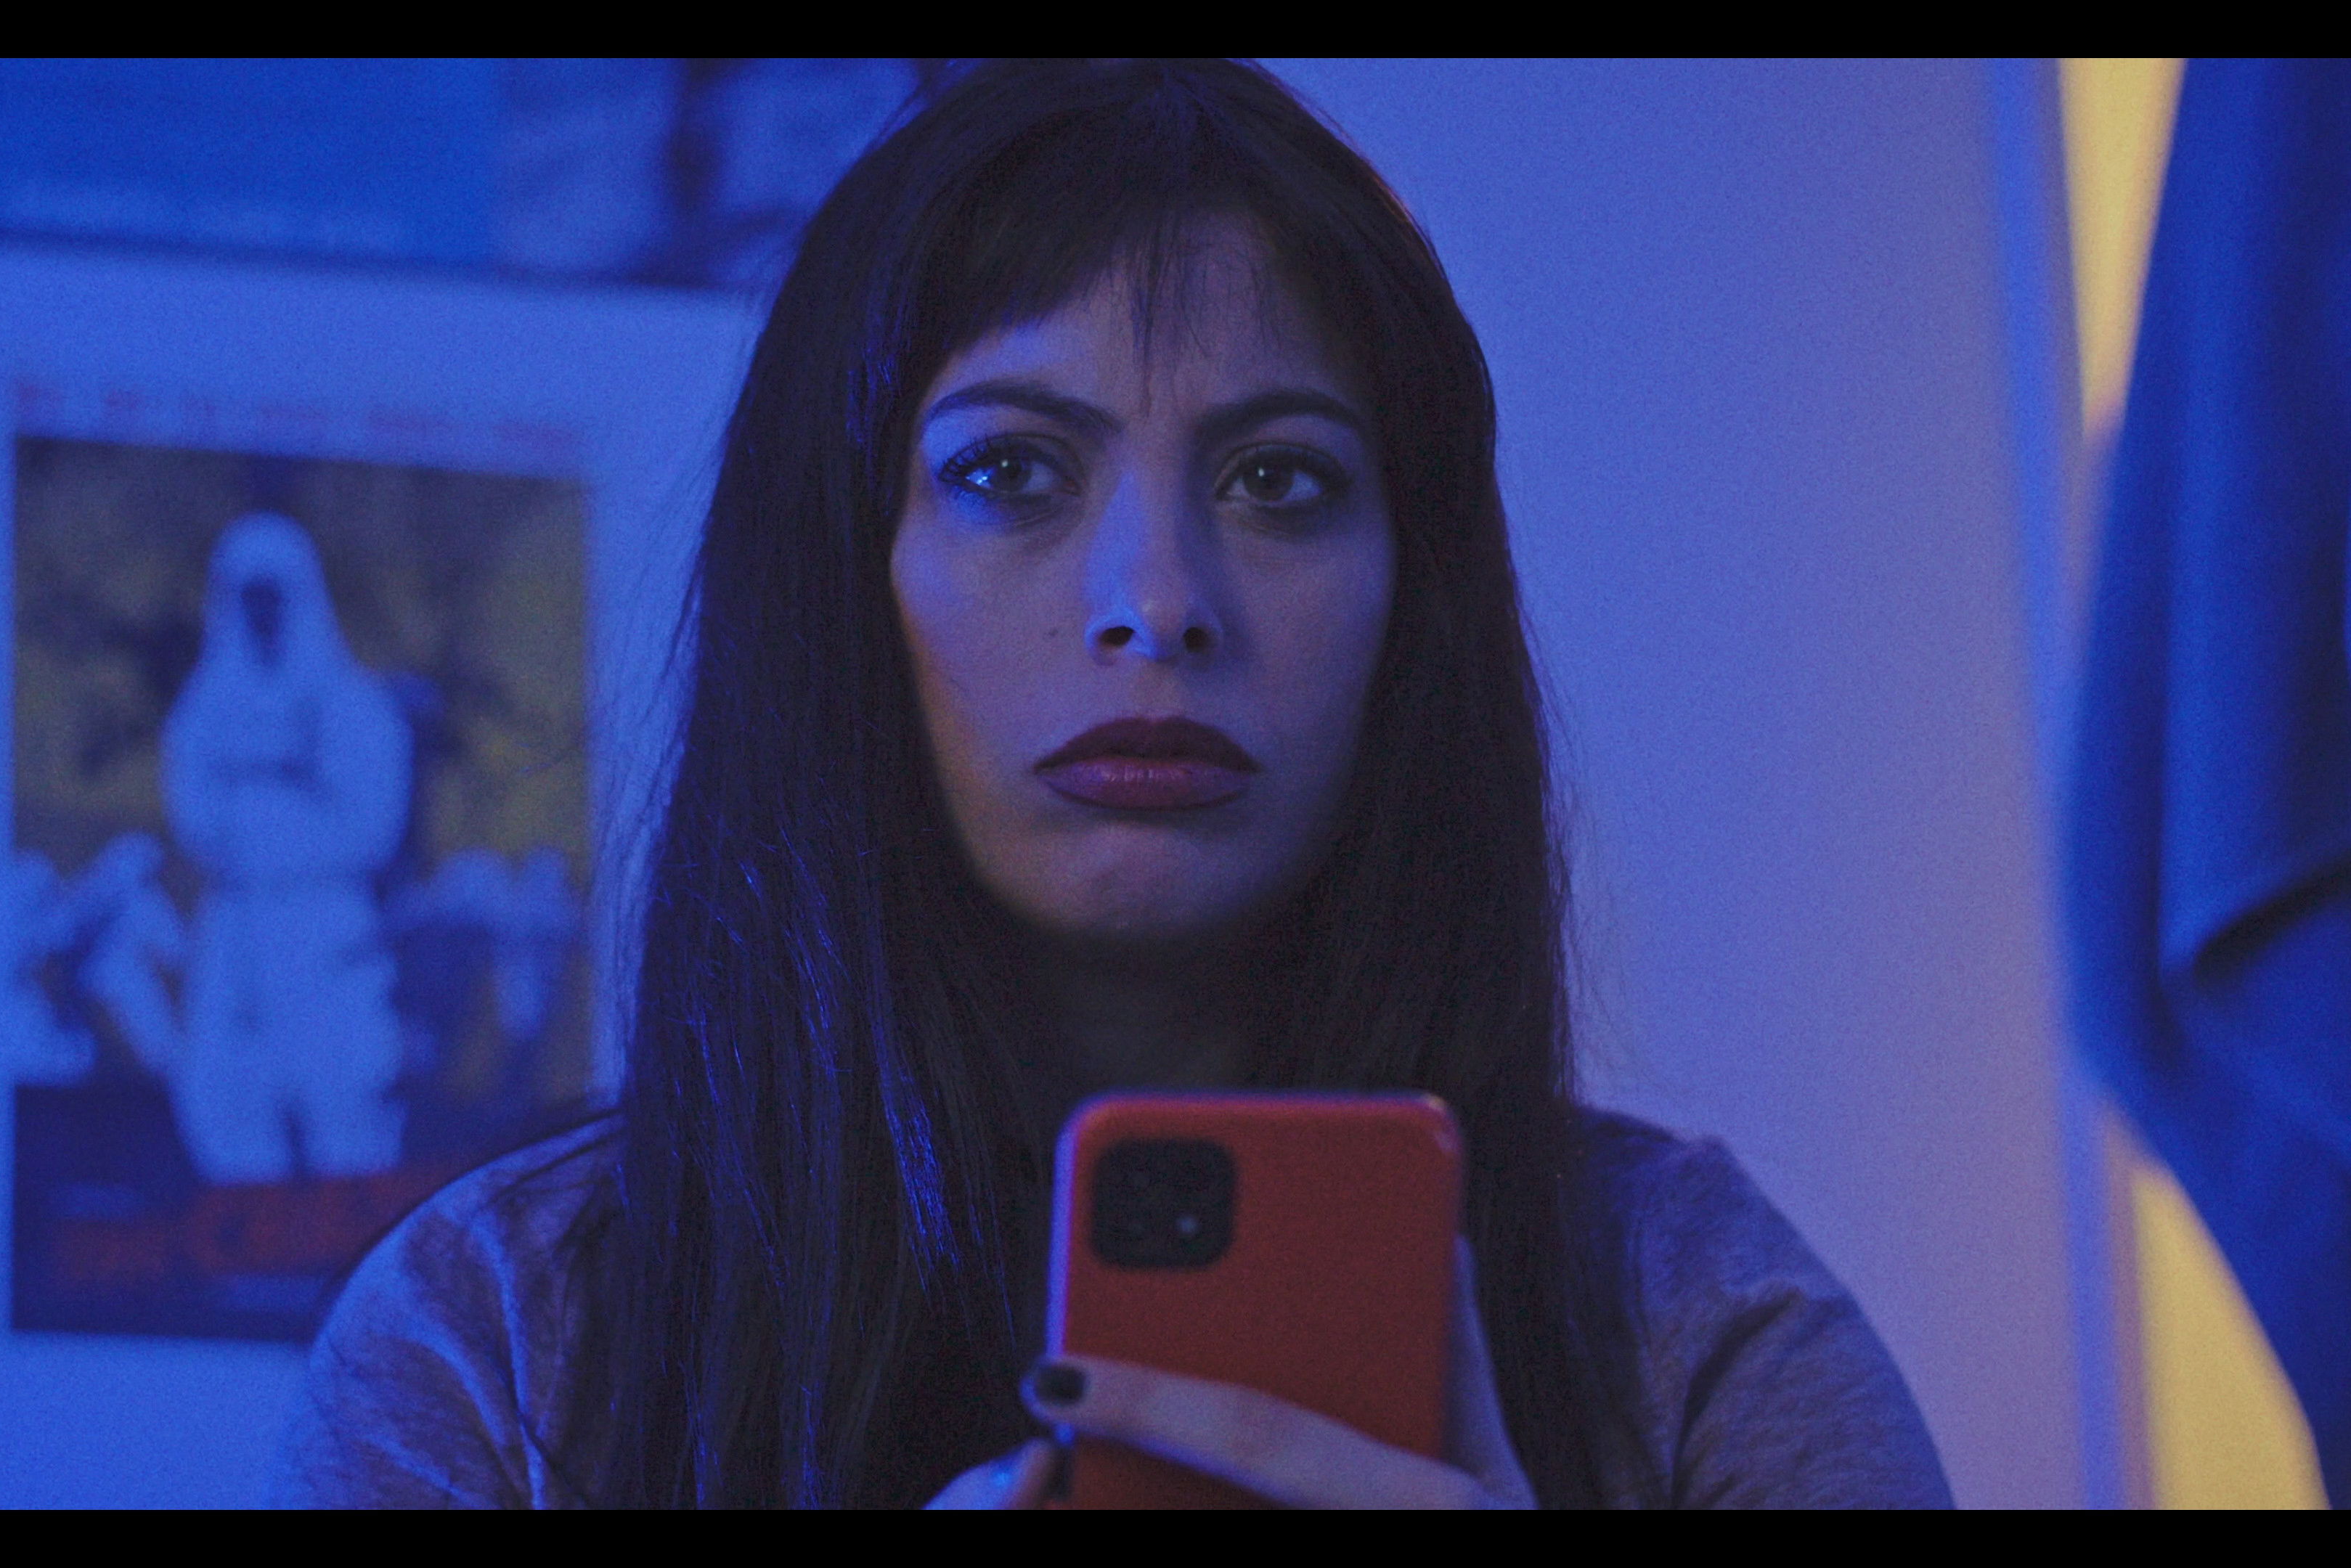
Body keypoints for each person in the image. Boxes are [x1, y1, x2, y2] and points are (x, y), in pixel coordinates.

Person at [277, 59, 1952, 1508]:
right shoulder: (497, 1335)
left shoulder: (1690, 1320)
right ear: (837, 572)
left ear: (1414, 597)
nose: (1157, 598)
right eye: (1011, 469)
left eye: (1279, 479)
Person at [163, 513, 410, 1185]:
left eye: (274, 594)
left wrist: (276, 817)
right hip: (238, 922)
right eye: (248, 595)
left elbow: (371, 827)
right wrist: (265, 805)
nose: (262, 611)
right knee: (223, 1088)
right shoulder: (204, 708)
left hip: (323, 920)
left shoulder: (354, 706)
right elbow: (196, 815)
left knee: (344, 1088)